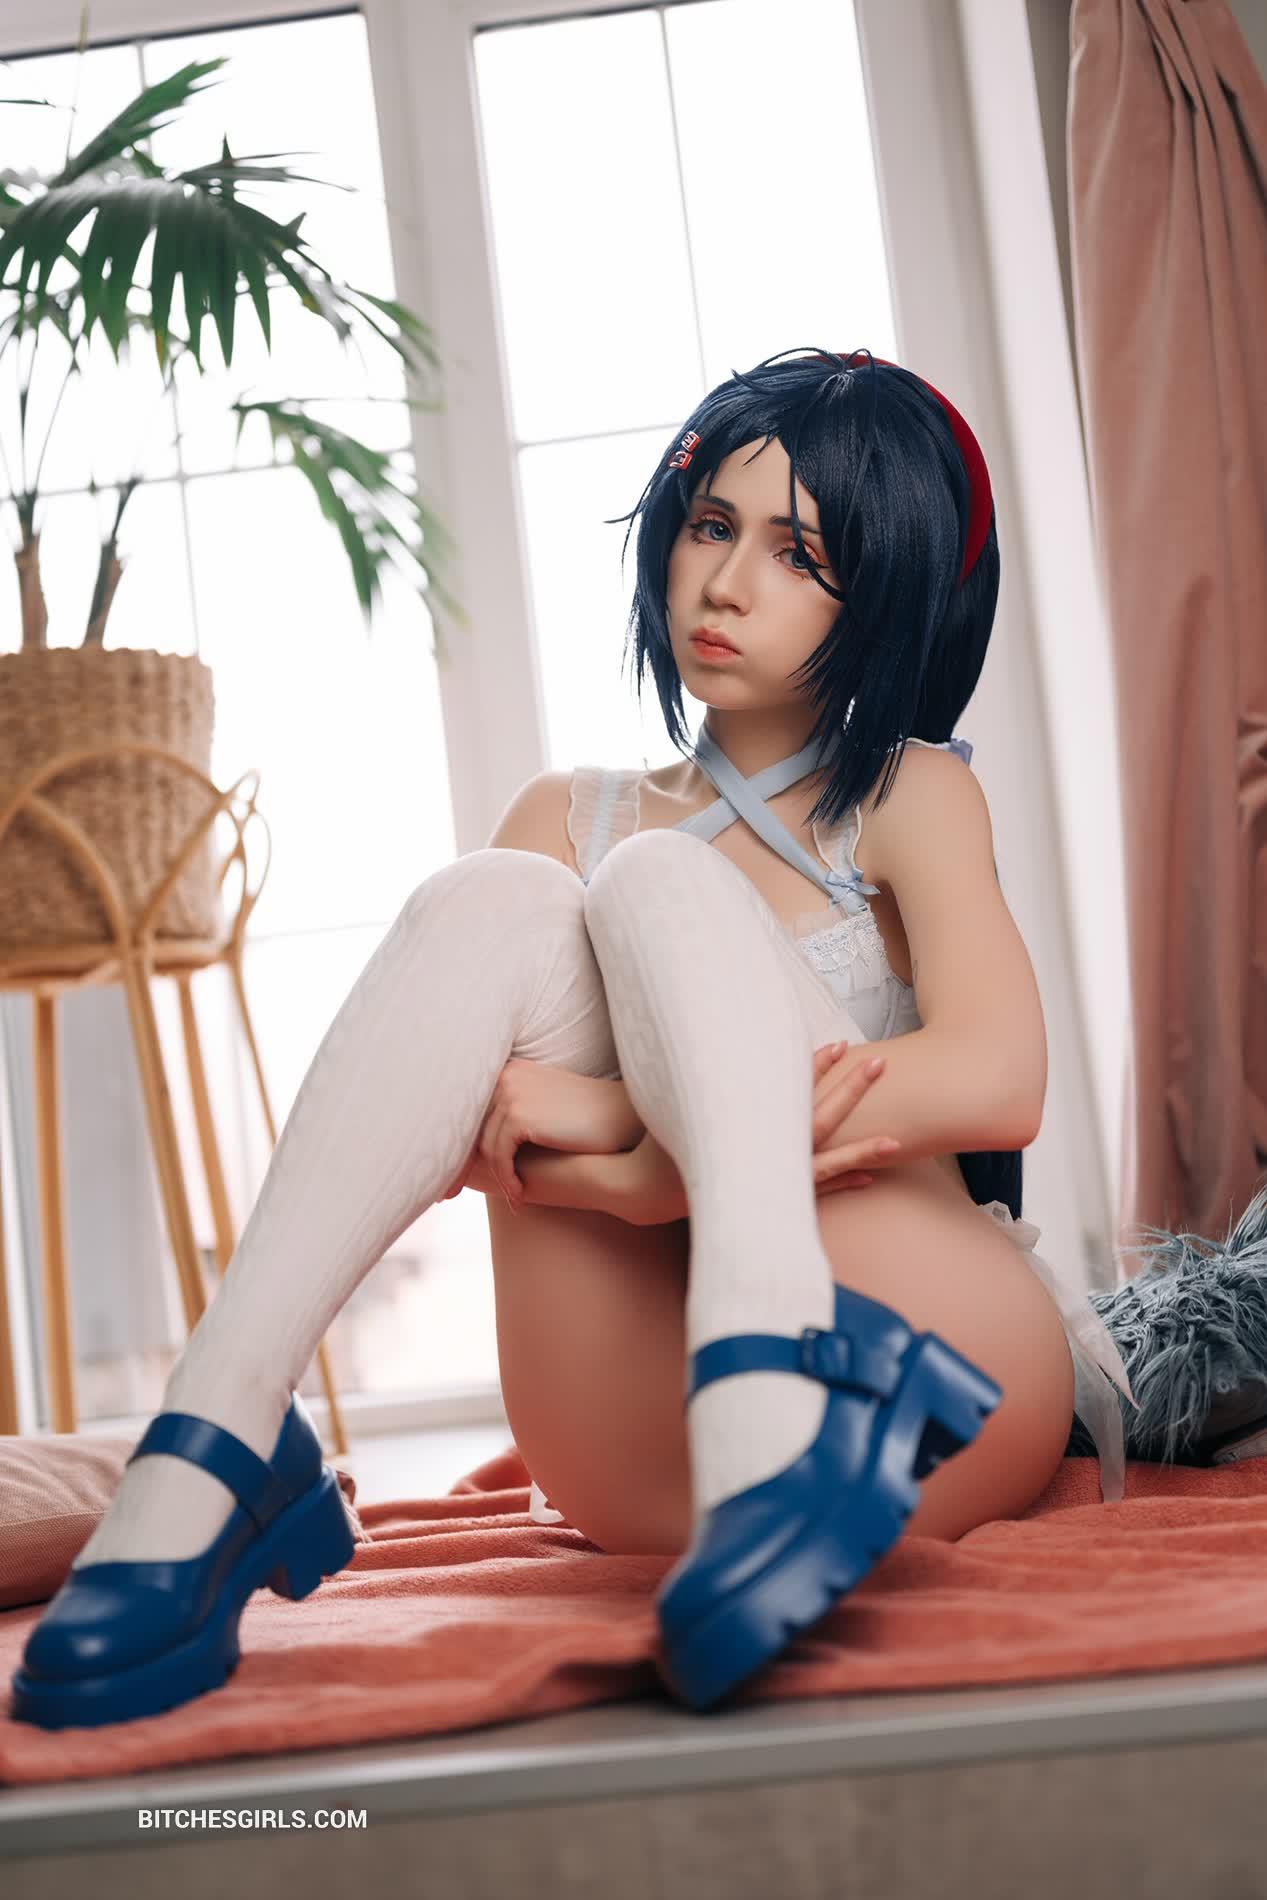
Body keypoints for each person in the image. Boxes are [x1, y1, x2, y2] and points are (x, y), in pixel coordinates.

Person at [11, 346, 1136, 1729]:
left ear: (890, 597)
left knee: (662, 881)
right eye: (711, 525)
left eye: (800, 555)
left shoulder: (906, 795)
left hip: (924, 1371)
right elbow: (456, 1129)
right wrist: (657, 1139)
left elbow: (1000, 1078)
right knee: (493, 895)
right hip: (633, 1442)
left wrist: (640, 1136)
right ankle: (222, 1425)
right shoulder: (563, 817)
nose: (725, 583)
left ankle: (778, 1391)